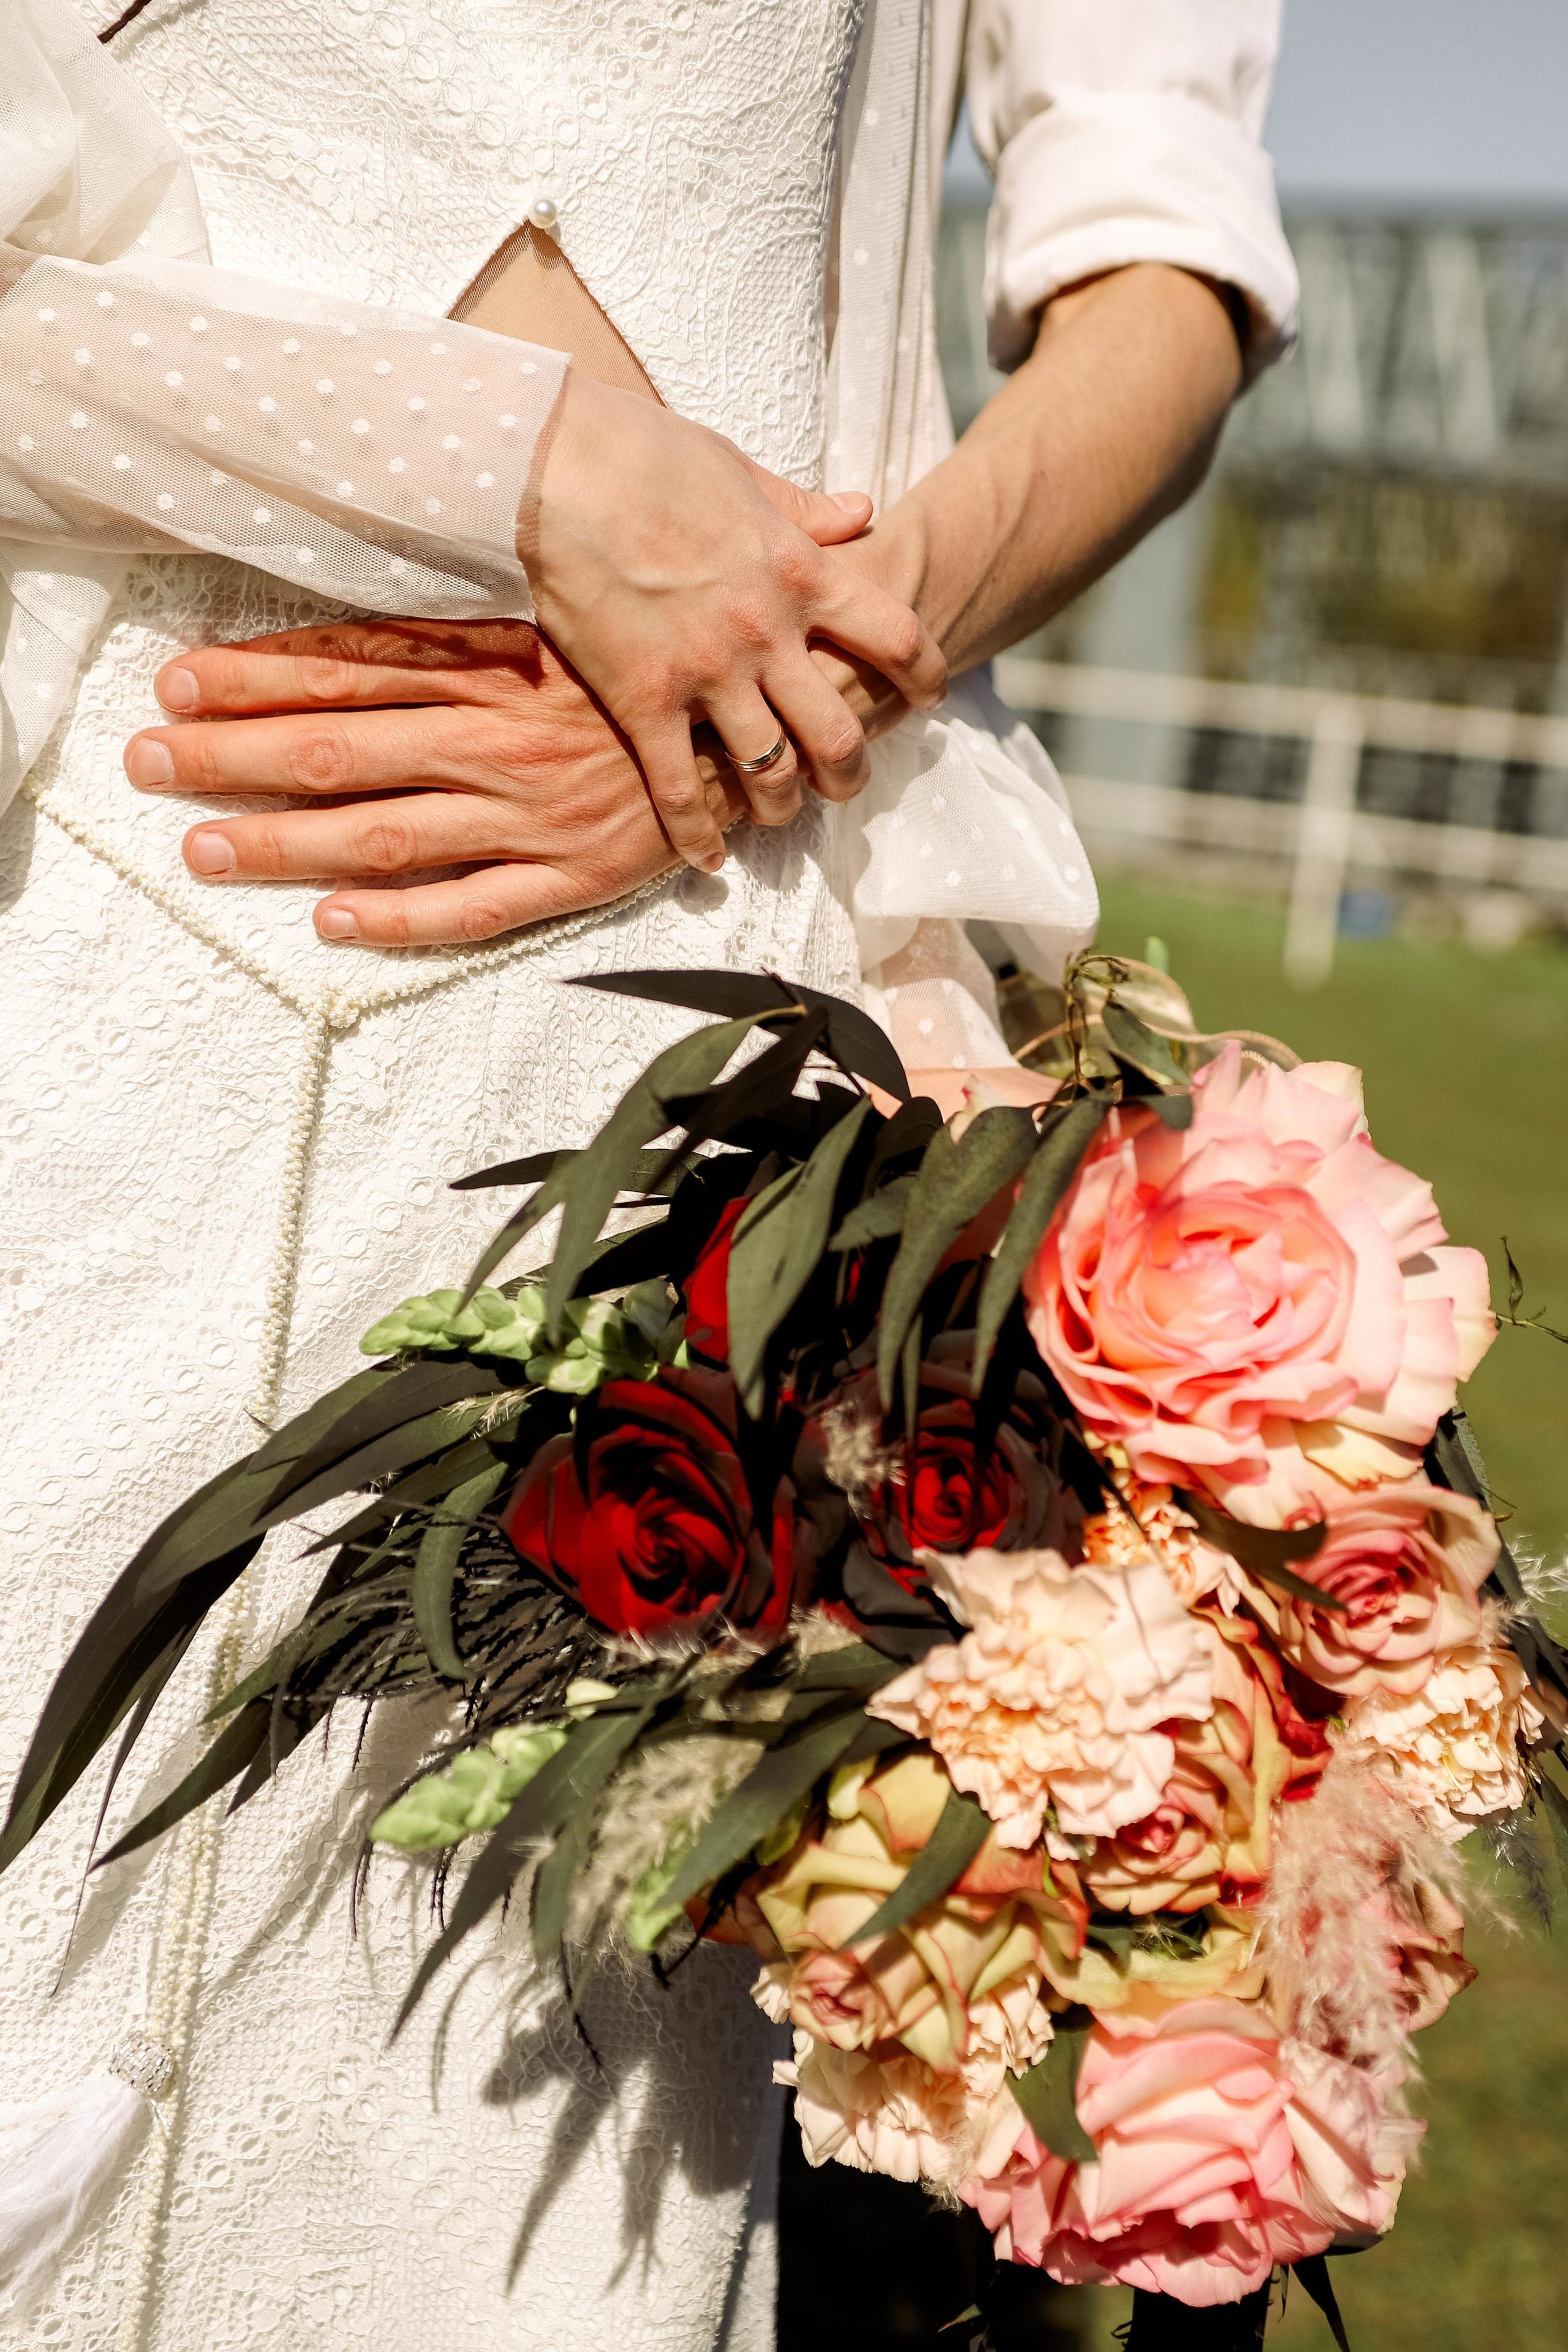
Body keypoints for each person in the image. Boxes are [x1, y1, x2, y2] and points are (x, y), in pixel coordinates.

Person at [0, 1, 1298, 2344]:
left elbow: (1165, 267)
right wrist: (535, 475)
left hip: (688, 1016)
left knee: (508, 2139)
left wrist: (816, 666)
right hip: (105, 936)